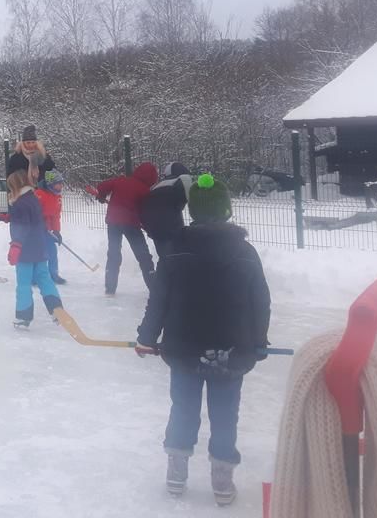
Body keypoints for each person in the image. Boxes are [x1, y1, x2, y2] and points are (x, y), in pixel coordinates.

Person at [135, 174, 271, 506]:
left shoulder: (174, 249)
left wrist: (147, 337)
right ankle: (222, 480)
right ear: (226, 210)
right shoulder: (245, 251)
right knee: (225, 414)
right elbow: (261, 302)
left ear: (193, 212)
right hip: (231, 350)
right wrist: (258, 341)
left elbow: (159, 299)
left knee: (184, 409)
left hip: (183, 350)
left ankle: (176, 473)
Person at [90, 162, 158, 295]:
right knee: (143, 255)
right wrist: (149, 228)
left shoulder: (121, 180)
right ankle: (154, 288)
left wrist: (102, 195)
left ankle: (110, 288)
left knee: (114, 254)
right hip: (131, 224)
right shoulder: (144, 190)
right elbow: (145, 213)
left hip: (113, 222)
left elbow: (102, 186)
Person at [7, 171, 63, 328]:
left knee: (24, 283)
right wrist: (4, 217)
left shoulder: (19, 203)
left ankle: (24, 316)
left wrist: (16, 245)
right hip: (39, 245)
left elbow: (22, 226)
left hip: (25, 248)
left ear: (15, 186)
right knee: (44, 279)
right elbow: (29, 219)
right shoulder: (33, 198)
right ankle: (56, 309)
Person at [139, 162, 195, 260]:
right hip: (172, 228)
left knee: (165, 259)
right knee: (178, 258)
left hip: (153, 228)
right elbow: (193, 200)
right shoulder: (182, 180)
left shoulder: (157, 186)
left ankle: (164, 273)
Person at [36, 170, 68, 285]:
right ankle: (36, 277)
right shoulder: (39, 194)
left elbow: (56, 216)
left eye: (61, 183)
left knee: (52, 252)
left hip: (49, 230)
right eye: (57, 183)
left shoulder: (57, 196)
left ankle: (53, 274)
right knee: (39, 253)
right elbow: (33, 212)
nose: (60, 185)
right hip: (37, 230)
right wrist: (40, 223)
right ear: (50, 183)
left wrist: (56, 231)